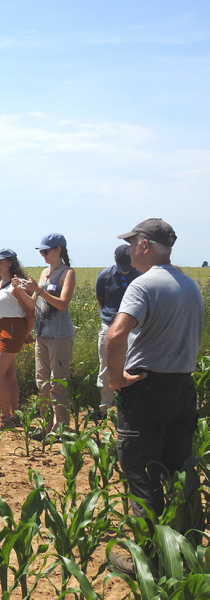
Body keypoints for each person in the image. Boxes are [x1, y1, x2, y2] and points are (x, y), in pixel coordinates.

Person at [106, 218, 203, 576]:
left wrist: (116, 379)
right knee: (179, 470)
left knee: (142, 473)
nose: (129, 250)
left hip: (146, 389)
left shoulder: (143, 284)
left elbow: (116, 335)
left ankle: (148, 560)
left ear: (145, 245)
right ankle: (187, 550)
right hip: (182, 387)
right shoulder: (189, 285)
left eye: (132, 243)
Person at [16, 233, 76, 440]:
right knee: (42, 382)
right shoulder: (43, 273)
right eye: (41, 251)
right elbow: (33, 304)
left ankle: (62, 429)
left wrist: (38, 291)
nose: (43, 255)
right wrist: (21, 290)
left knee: (57, 384)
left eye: (46, 251)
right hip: (41, 334)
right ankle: (47, 426)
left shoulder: (67, 273)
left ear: (59, 249)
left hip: (59, 336)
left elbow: (62, 304)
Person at [0, 249, 33, 431]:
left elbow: (30, 310)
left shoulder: (16, 285)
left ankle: (5, 416)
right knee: (8, 374)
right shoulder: (0, 284)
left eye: (0, 261)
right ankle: (15, 415)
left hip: (11, 330)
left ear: (11, 263)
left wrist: (25, 334)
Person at [94, 244, 140, 418]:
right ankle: (103, 408)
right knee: (106, 366)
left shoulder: (139, 275)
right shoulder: (104, 275)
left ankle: (128, 406)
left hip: (133, 328)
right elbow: (101, 298)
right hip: (109, 325)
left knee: (132, 365)